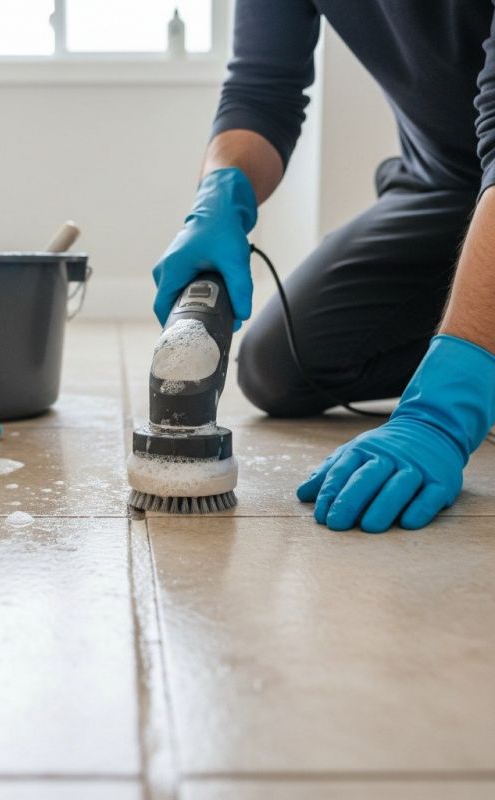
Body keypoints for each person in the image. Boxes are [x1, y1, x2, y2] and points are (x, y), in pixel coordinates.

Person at [152, 1, 495, 533]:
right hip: (444, 184)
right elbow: (261, 92)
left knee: (466, 376)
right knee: (280, 366)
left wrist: (442, 412)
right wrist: (221, 193)